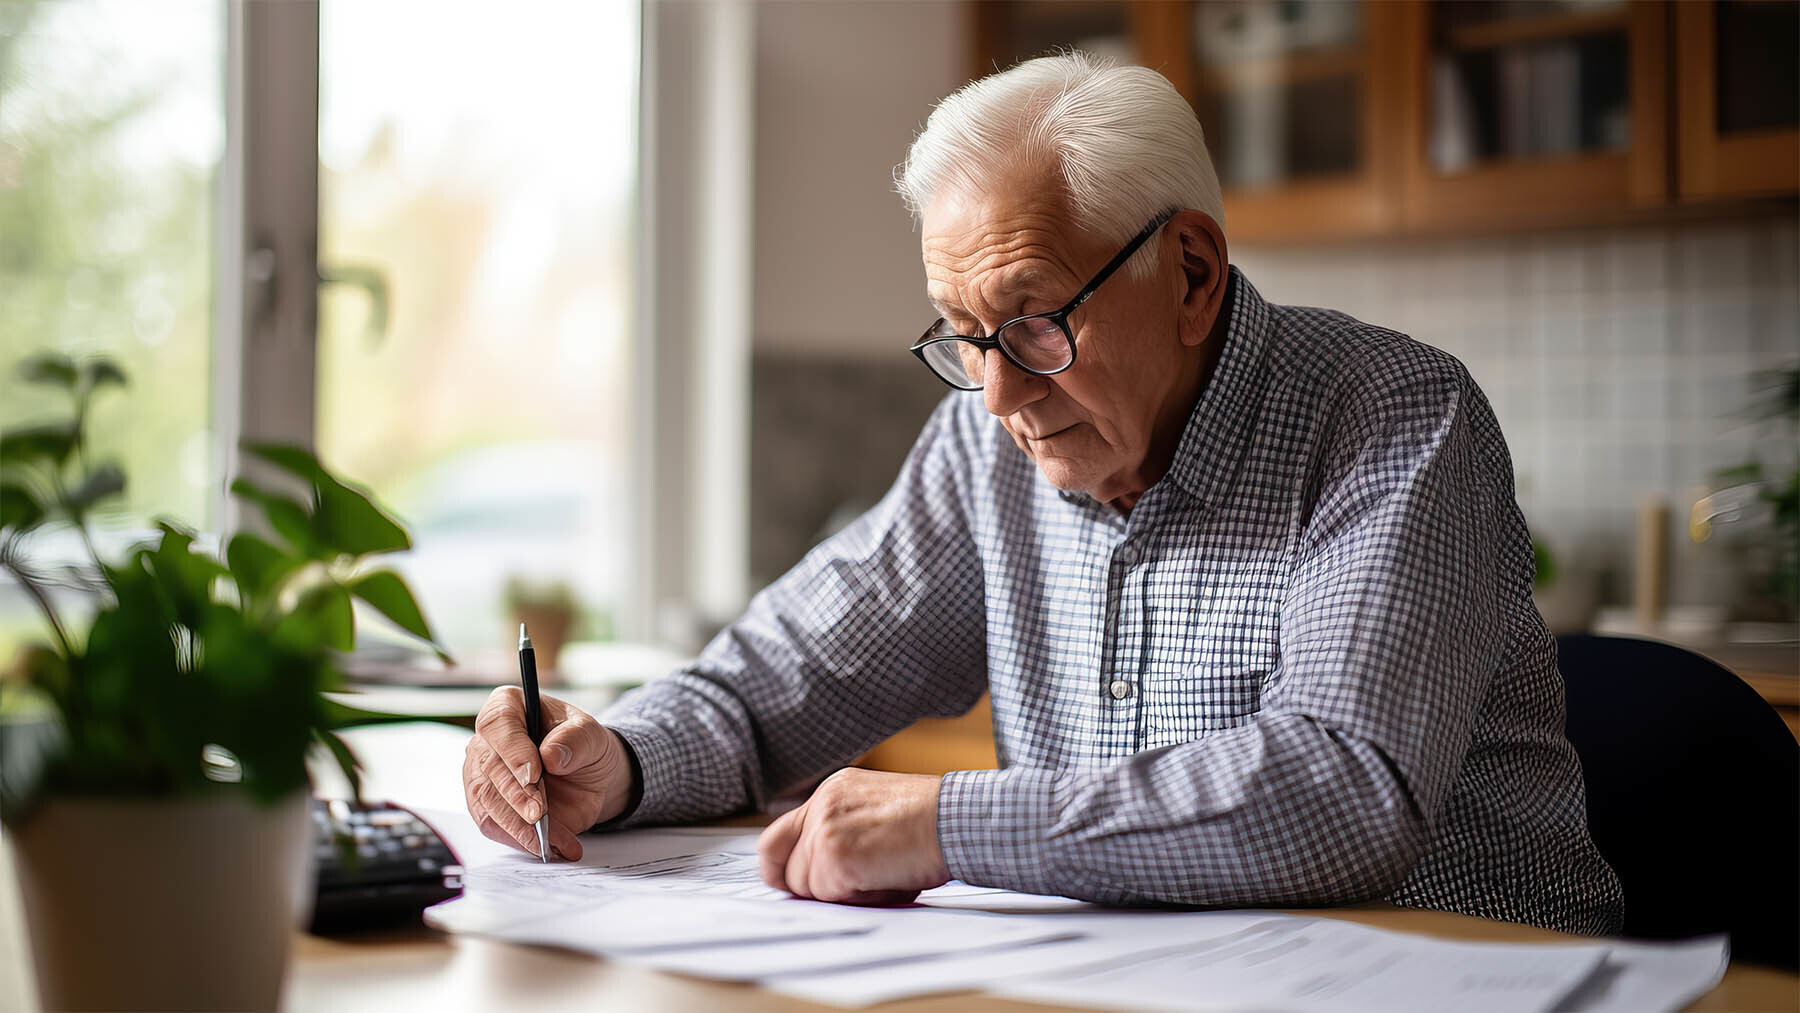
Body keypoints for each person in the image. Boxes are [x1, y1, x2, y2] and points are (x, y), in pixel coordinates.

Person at [461, 53, 1623, 934]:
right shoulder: (988, 450)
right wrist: (619, 759)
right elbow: (773, 686)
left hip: (1462, 973)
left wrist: (946, 823)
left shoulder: (1394, 416)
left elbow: (1340, 790)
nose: (1000, 390)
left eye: (1035, 321)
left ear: (1194, 274)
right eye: (964, 335)